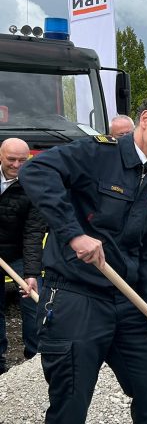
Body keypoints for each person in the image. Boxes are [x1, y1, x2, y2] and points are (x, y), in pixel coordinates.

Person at [18, 95, 147, 423]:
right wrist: (74, 233)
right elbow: (36, 171)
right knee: (70, 403)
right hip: (75, 296)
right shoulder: (96, 153)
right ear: (145, 119)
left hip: (129, 302)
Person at [0, 138, 47, 373]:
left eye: (22, 159)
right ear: (0, 156)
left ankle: (34, 360)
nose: (17, 164)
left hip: (19, 253)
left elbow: (33, 233)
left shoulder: (33, 187)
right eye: (11, 159)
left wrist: (30, 273)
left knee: (31, 301)